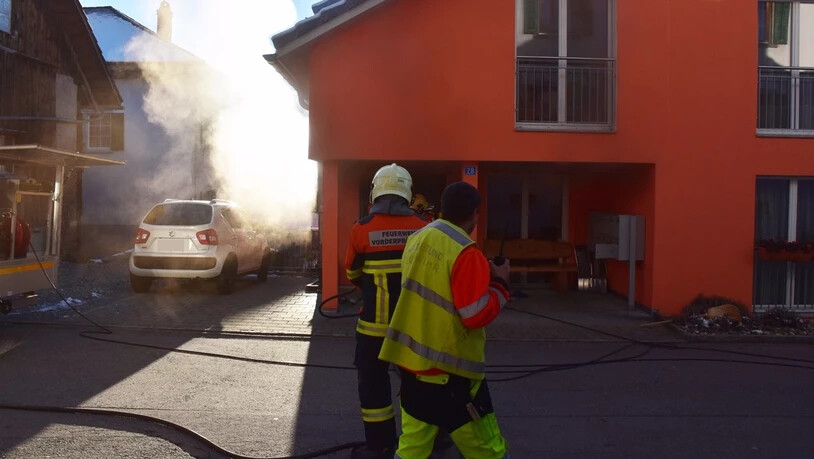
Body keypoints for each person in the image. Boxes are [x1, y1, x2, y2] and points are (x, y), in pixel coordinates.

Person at [379, 181, 511, 459]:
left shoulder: (418, 238)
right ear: (475, 213)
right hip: (452, 375)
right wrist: (500, 285)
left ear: (443, 208)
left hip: (412, 368)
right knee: (489, 451)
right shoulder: (466, 251)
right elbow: (474, 315)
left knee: (411, 450)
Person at [344, 163, 429, 459]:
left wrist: (370, 288)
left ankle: (379, 446)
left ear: (376, 192)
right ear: (406, 192)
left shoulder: (362, 229)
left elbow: (352, 273)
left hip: (373, 331)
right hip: (413, 328)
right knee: (418, 386)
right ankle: (419, 444)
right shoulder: (423, 228)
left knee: (374, 388)